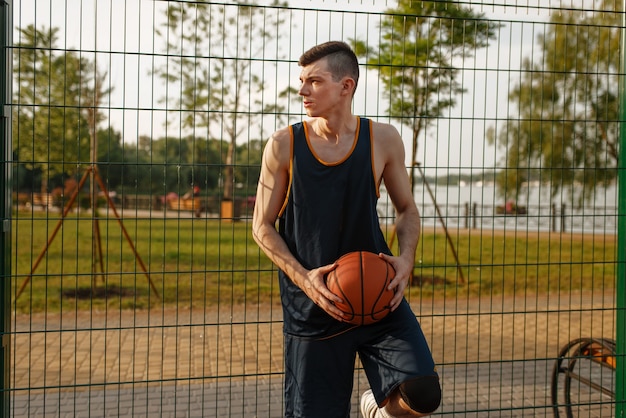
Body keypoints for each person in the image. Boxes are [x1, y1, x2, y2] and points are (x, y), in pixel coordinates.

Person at [252, 41, 441, 418]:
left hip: (377, 295)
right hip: (316, 304)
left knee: (422, 395)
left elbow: (407, 210)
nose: (302, 90)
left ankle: (376, 407)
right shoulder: (283, 145)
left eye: (314, 81)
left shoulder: (383, 139)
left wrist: (406, 260)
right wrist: (305, 280)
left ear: (346, 86)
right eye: (301, 81)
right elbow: (261, 227)